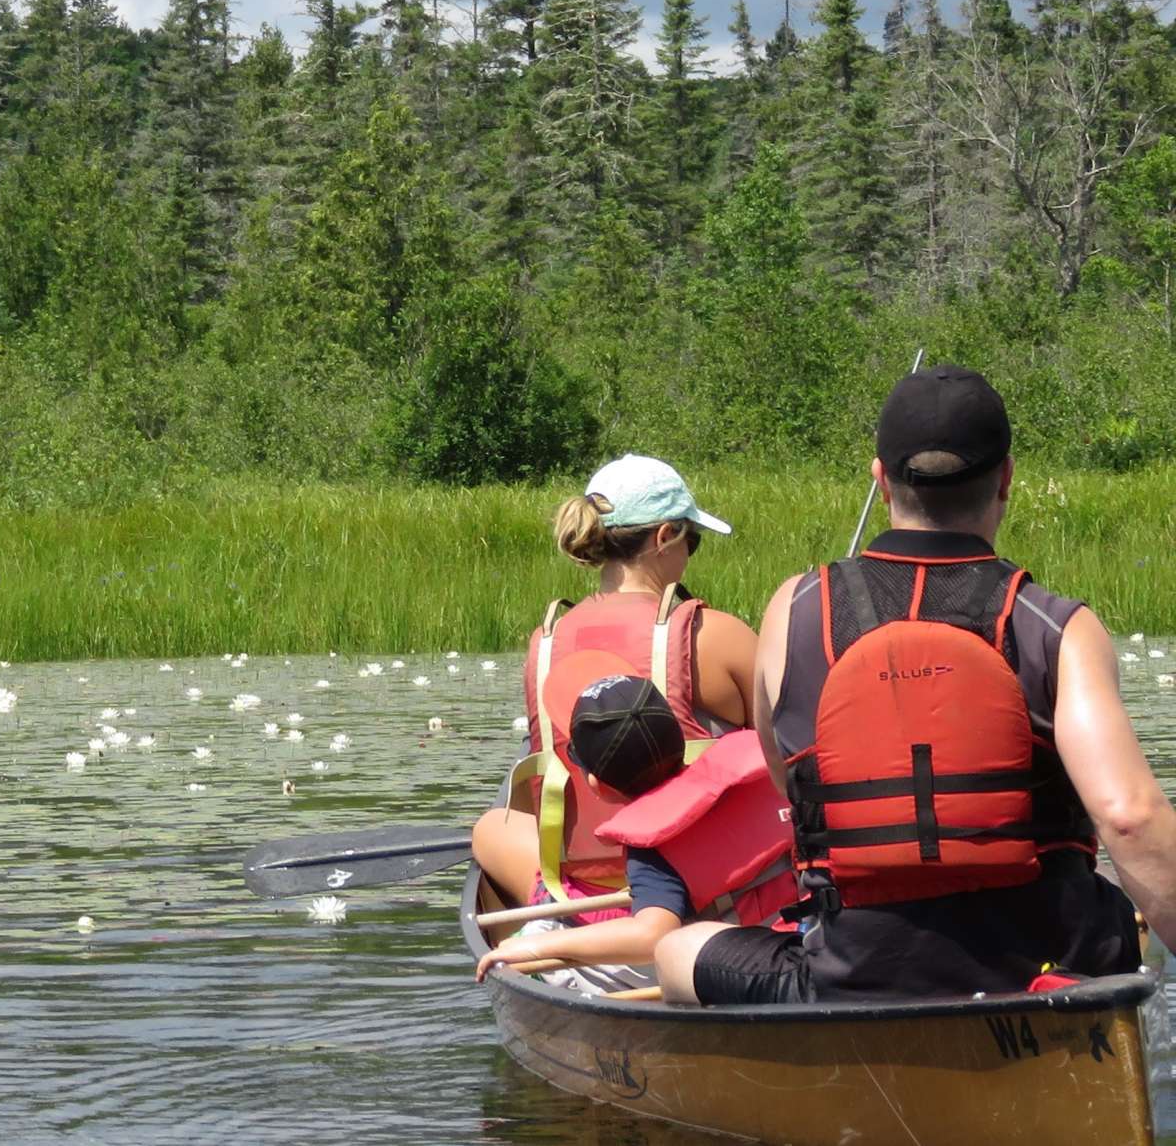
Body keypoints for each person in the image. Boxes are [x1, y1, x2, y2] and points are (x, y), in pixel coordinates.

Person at [657, 365, 1176, 1004]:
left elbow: (789, 779)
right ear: (1007, 478)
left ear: (880, 480)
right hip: (1044, 974)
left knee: (674, 949)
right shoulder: (1055, 627)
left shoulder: (794, 608)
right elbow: (1128, 819)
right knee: (1135, 919)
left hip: (852, 974)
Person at [471, 454, 758, 932]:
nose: (690, 553)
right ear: (665, 536)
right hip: (709, 898)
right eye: (693, 539)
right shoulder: (714, 634)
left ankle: (553, 917)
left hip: (582, 896)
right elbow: (792, 753)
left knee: (492, 827)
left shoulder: (545, 644)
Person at [474, 675, 795, 984]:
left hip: (744, 963)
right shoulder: (761, 776)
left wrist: (538, 947)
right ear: (681, 742)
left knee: (539, 932)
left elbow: (652, 935)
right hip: (806, 935)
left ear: (596, 785)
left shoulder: (653, 847)